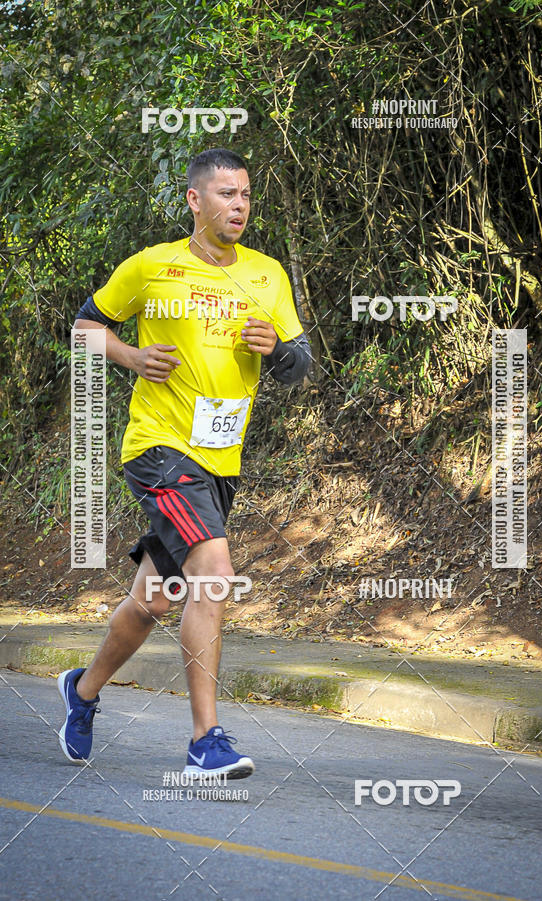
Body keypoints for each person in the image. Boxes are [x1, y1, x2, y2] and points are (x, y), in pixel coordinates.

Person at [58, 147, 311, 778]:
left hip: (222, 462)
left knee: (154, 600)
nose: (239, 205)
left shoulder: (267, 275)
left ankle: (81, 691)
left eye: (246, 194)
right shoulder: (152, 267)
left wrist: (277, 349)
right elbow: (85, 328)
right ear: (195, 201)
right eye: (227, 194)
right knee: (214, 575)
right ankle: (206, 741)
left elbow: (298, 365)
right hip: (160, 449)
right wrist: (132, 357)